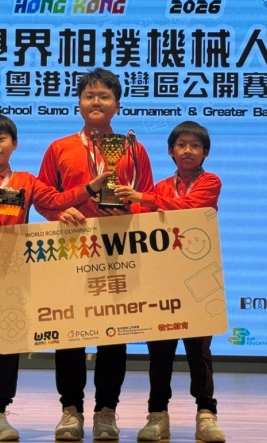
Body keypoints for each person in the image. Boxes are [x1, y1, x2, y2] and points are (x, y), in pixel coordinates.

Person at [0, 115, 108, 442]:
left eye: (1, 139)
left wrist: (89, 189)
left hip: (13, 279)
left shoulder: (26, 181)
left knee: (7, 349)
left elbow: (56, 202)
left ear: (15, 144)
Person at [35, 68, 155, 441]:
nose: (96, 101)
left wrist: (129, 210)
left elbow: (150, 200)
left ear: (117, 105)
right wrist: (59, 213)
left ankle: (107, 411)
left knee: (114, 334)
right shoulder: (59, 148)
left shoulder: (135, 149)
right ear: (79, 104)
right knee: (68, 332)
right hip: (71, 250)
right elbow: (43, 199)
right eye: (89, 96)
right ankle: (70, 410)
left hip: (118, 251)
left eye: (104, 96)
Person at [114, 120, 226, 442]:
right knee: (159, 353)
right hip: (162, 280)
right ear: (171, 151)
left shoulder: (211, 181)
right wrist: (118, 205)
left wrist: (144, 199)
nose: (188, 150)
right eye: (181, 145)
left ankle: (206, 415)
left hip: (199, 280)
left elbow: (190, 208)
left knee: (198, 353)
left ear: (205, 152)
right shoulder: (160, 188)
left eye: (195, 145)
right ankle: (157, 415)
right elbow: (140, 214)